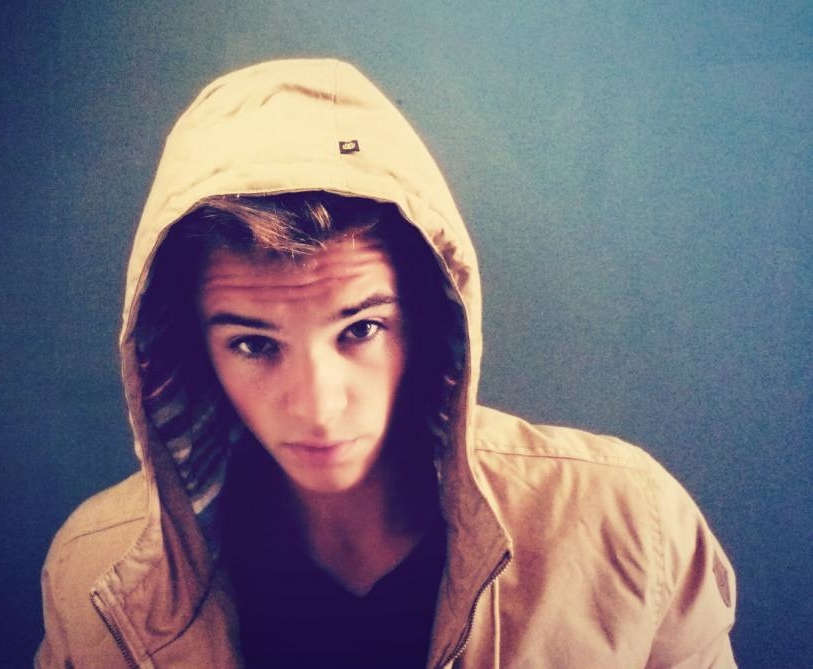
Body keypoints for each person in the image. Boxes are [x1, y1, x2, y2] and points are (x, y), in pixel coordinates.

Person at [36, 59, 737, 668]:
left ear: (429, 317)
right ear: (189, 351)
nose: (316, 405)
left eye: (360, 329)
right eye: (253, 344)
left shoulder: (625, 525)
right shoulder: (94, 572)